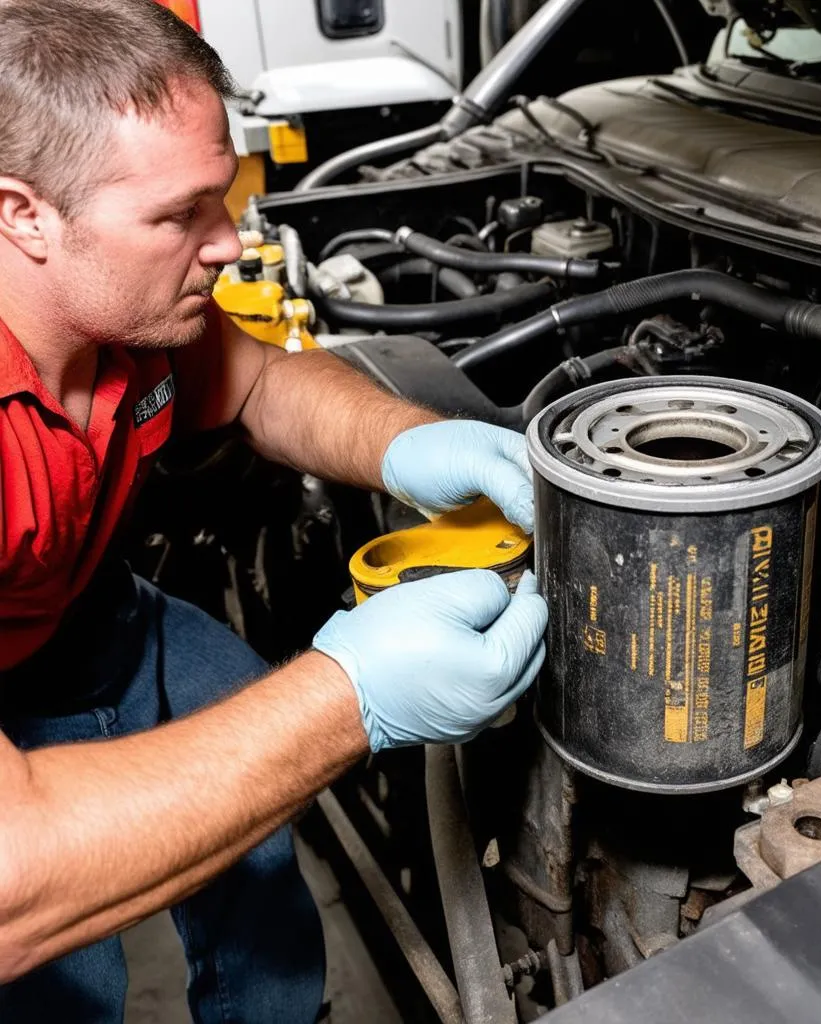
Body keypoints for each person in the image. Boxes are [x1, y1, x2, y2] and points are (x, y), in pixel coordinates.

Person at [0, 1, 549, 1020]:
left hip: (98, 618)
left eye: (225, 197)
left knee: (259, 815)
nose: (230, 244)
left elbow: (258, 383)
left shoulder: (123, 313)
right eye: (181, 215)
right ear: (22, 213)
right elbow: (11, 878)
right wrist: (352, 697)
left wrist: (407, 443)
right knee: (61, 977)